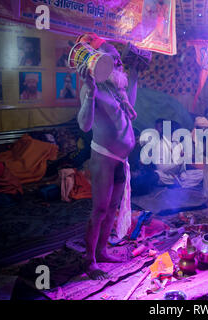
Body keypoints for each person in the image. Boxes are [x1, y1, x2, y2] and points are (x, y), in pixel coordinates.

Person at [76, 32, 145, 280]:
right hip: (104, 157)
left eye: (119, 60)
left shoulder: (119, 90)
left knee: (113, 207)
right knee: (100, 209)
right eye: (113, 60)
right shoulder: (94, 87)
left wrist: (135, 75)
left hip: (121, 160)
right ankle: (89, 259)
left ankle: (103, 250)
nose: (118, 63)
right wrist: (90, 92)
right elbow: (84, 125)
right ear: (100, 63)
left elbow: (129, 112)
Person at [129, 128, 159, 196]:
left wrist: (141, 170)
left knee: (152, 177)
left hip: (141, 175)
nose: (137, 142)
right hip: (129, 175)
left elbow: (151, 167)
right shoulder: (126, 148)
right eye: (135, 140)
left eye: (138, 139)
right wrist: (130, 172)